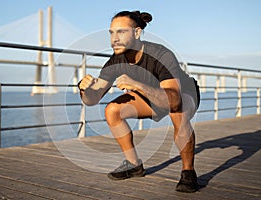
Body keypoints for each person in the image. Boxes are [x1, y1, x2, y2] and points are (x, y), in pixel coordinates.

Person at [78, 11, 200, 193]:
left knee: (178, 112)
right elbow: (92, 100)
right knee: (112, 111)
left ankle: (188, 172)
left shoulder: (161, 54)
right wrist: (84, 89)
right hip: (150, 97)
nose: (114, 38)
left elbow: (173, 99)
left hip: (183, 94)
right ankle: (134, 165)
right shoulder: (116, 60)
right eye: (111, 33)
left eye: (121, 32)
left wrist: (136, 85)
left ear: (136, 33)